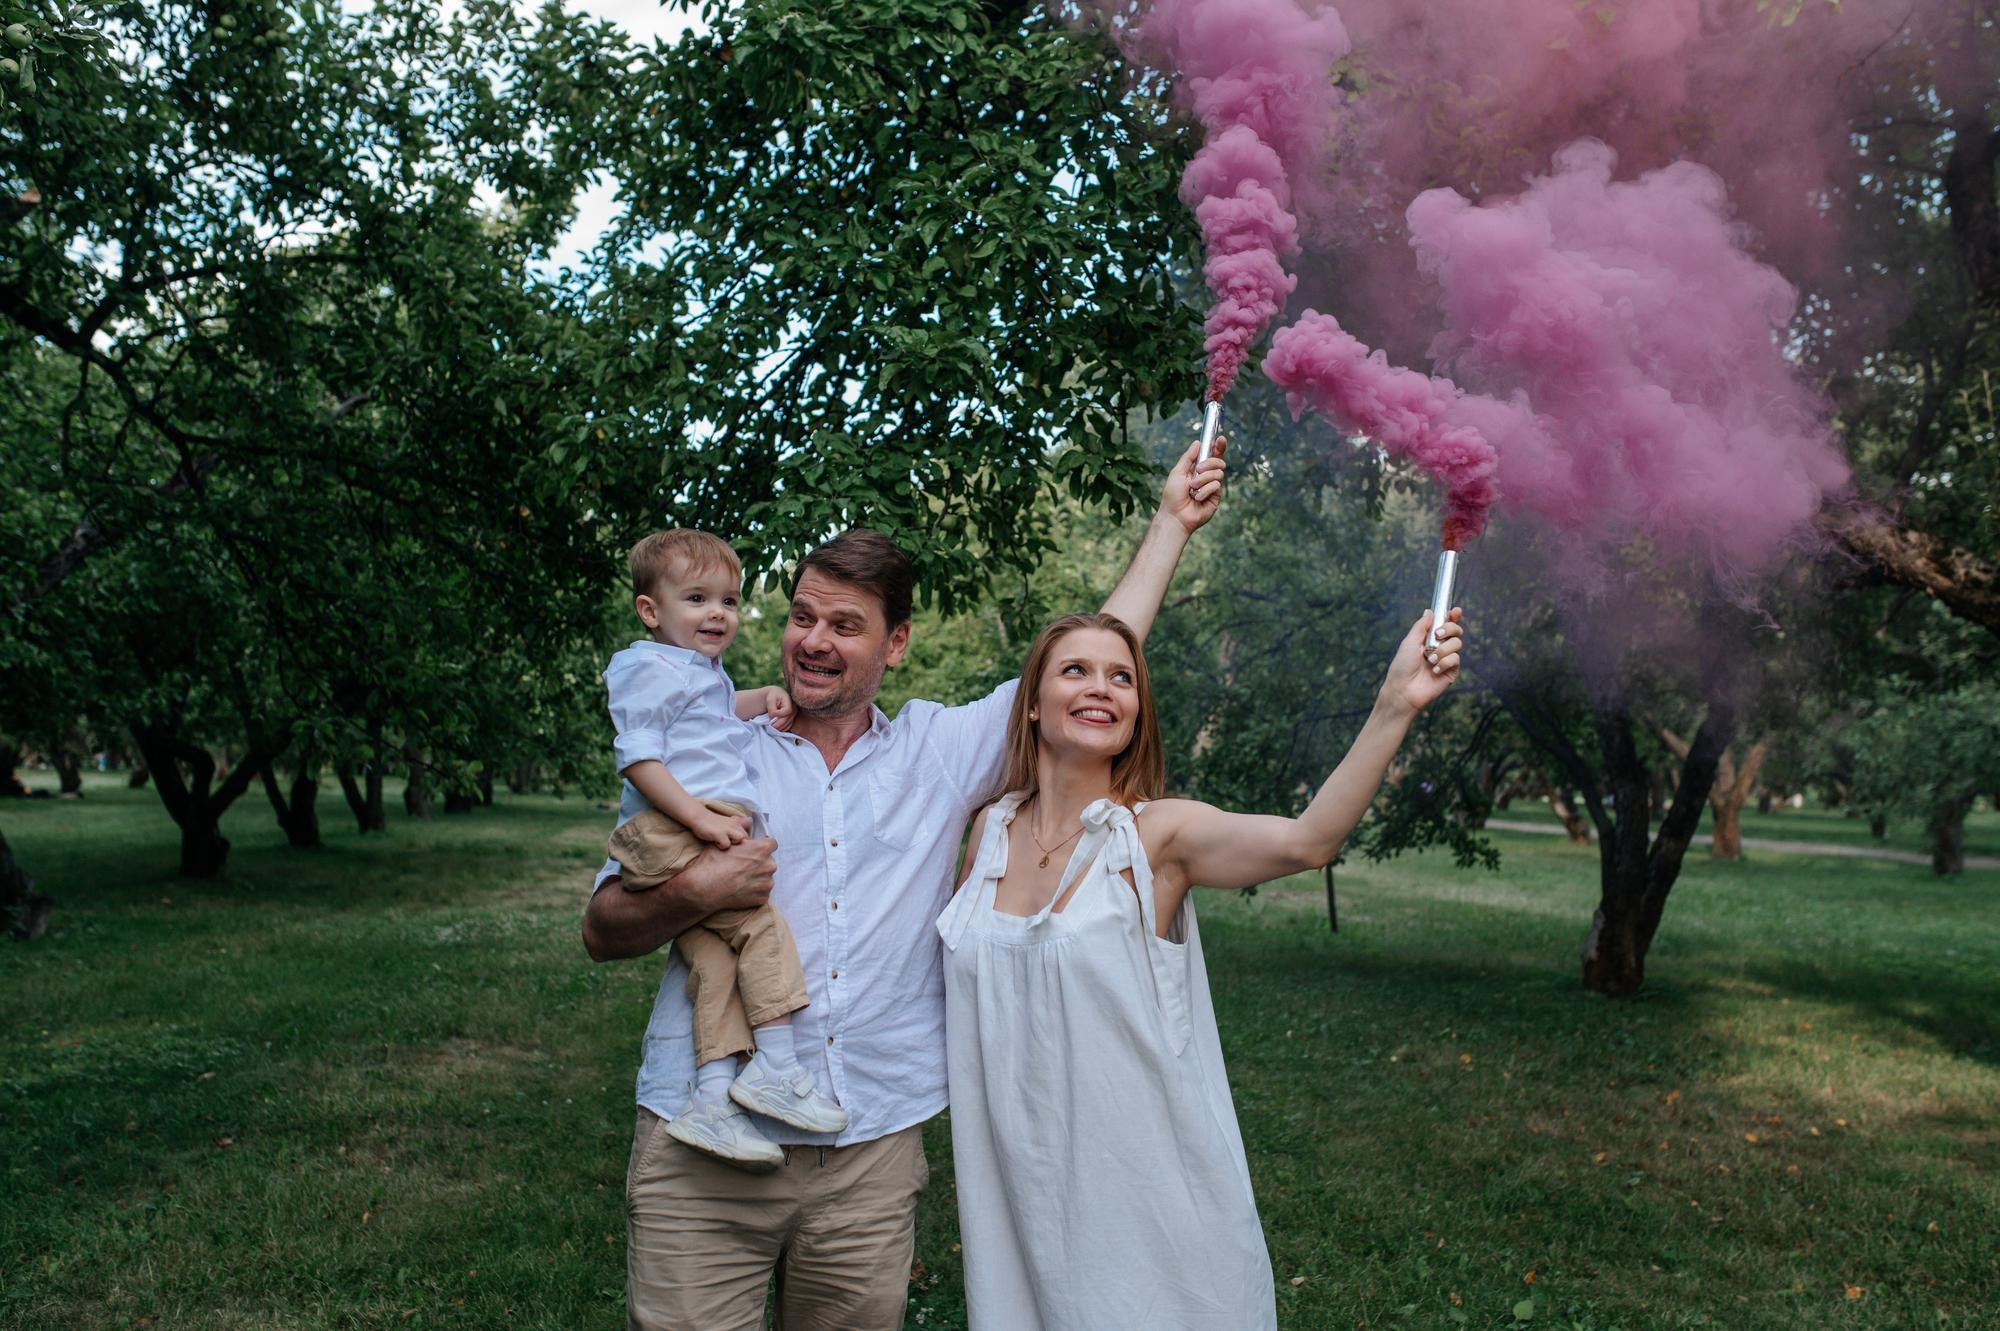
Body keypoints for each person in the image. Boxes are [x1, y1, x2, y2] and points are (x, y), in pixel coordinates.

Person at [582, 438, 1229, 1331]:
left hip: (870, 1149)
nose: (812, 640)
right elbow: (604, 925)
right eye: (802, 616)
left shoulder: (938, 749)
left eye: (844, 625)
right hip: (703, 1146)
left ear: (896, 642)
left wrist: (1171, 522)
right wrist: (701, 890)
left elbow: (1085, 659)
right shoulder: (710, 743)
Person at [936, 603, 1467, 1330]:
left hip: (1151, 1203)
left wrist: (1393, 705)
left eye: (1122, 677)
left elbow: (1307, 842)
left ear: (1136, 712)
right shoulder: (988, 832)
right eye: (1076, 670)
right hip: (1020, 1203)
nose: (1102, 687)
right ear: (1031, 702)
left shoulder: (1158, 838)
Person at [600, 528, 847, 1173]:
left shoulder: (700, 675)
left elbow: (705, 718)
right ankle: (777, 1066)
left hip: (684, 827)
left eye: (730, 601)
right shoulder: (645, 668)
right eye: (698, 598)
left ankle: (710, 1099)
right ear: (651, 610)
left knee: (714, 964)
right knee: (762, 931)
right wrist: (700, 822)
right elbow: (640, 759)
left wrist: (756, 702)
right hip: (679, 827)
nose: (718, 614)